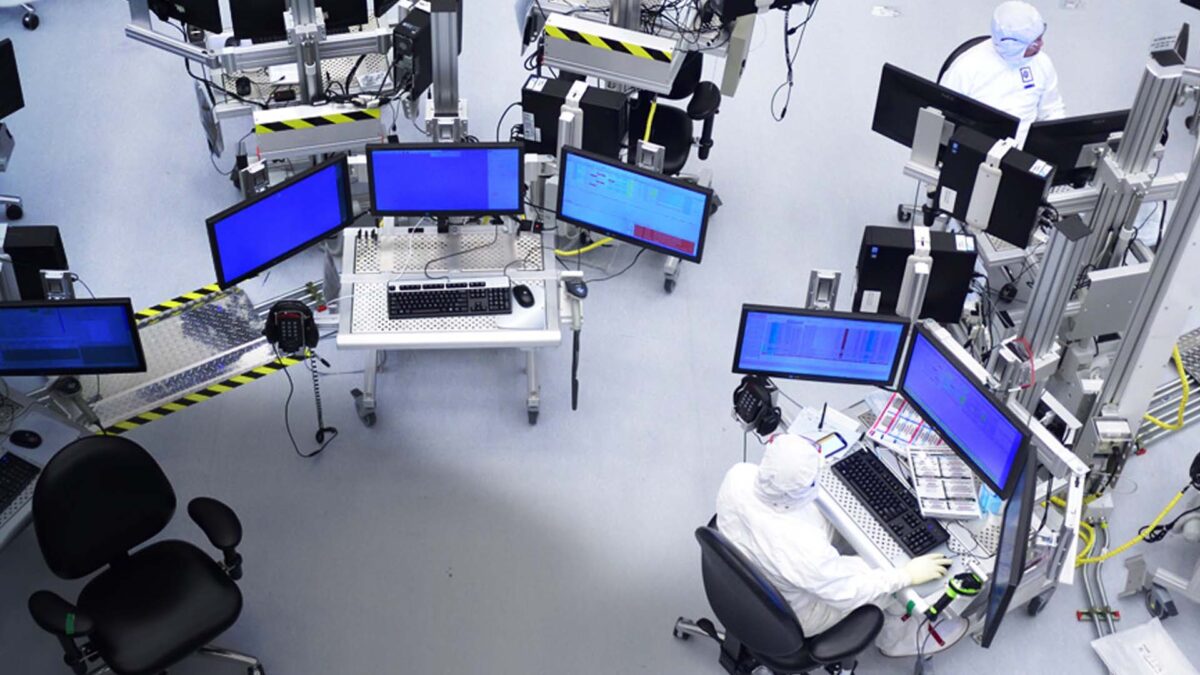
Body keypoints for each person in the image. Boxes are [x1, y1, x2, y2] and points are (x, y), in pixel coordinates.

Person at [716, 434, 969, 657]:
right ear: (799, 491)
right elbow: (849, 592)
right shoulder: (803, 550)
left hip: (748, 574)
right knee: (886, 572)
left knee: (835, 524)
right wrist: (906, 574)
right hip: (798, 616)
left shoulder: (738, 475)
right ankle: (895, 636)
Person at [941, 1, 1066, 146]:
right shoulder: (966, 67)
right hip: (975, 151)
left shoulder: (1042, 63)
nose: (1041, 44)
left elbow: (1051, 111)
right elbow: (943, 119)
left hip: (1024, 156)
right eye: (1035, 41)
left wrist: (1056, 146)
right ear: (1012, 45)